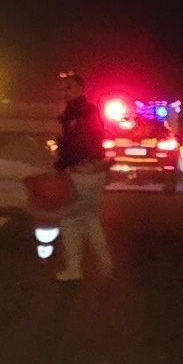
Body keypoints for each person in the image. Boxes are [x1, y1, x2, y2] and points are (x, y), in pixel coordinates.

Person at [49, 70, 113, 281]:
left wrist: (62, 167)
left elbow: (76, 146)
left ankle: (74, 270)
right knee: (90, 218)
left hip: (81, 172)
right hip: (95, 172)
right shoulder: (91, 111)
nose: (64, 92)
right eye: (61, 89)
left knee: (70, 220)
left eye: (68, 88)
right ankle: (105, 263)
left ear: (79, 88)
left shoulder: (77, 113)